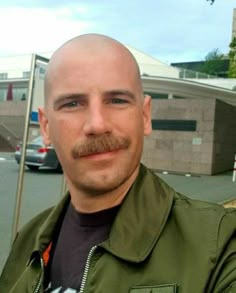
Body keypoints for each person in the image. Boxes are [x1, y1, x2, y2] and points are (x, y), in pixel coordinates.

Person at [1, 34, 236, 293]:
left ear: (145, 116)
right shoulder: (28, 240)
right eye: (72, 103)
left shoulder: (220, 244)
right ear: (46, 127)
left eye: (117, 100)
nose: (97, 124)